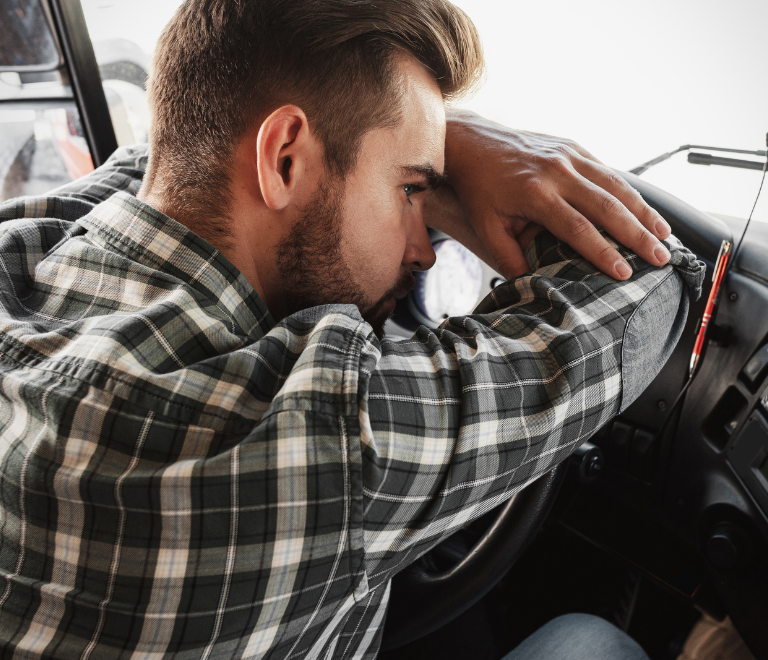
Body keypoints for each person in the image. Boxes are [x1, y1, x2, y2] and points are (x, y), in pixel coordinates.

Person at [0, 1, 704, 658]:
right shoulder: (313, 438)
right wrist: (466, 148)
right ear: (284, 159)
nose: (424, 247)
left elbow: (161, 160)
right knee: (590, 641)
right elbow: (650, 281)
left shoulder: (25, 253)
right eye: (410, 192)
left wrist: (426, 142)